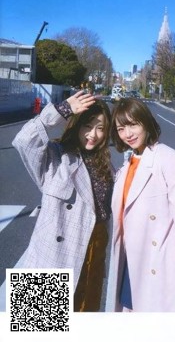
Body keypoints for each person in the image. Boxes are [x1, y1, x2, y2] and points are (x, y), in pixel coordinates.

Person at [12, 90, 114, 311]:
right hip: (53, 255)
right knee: (40, 328)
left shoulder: (107, 167)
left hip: (93, 253)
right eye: (88, 126)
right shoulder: (56, 157)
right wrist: (62, 110)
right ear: (77, 125)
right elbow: (23, 140)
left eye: (100, 128)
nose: (93, 135)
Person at [110, 98, 175, 312]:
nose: (128, 133)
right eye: (121, 128)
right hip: (131, 260)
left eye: (133, 124)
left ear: (146, 122)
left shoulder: (169, 158)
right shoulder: (128, 162)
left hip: (159, 262)